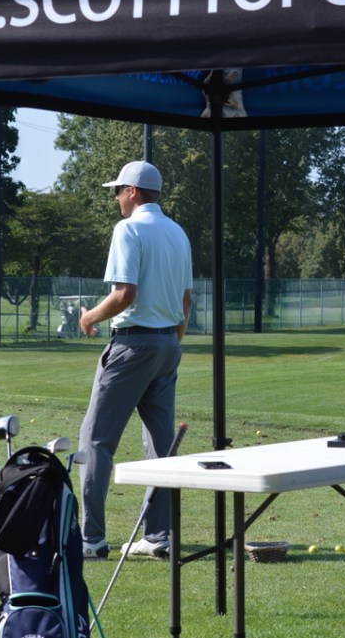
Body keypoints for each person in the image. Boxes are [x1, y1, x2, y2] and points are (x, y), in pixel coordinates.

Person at [78, 161, 193, 560]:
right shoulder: (177, 232)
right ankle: (159, 535)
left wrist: (90, 316)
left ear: (132, 191)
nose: (115, 197)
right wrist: (171, 342)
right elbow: (186, 299)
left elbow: (125, 294)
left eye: (118, 190)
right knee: (161, 444)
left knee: (95, 440)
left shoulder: (128, 229)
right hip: (167, 345)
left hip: (132, 344)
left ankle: (90, 539)